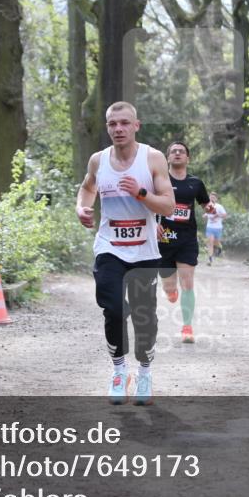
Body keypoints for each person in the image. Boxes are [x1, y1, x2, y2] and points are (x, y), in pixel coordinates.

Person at [76, 101, 175, 405]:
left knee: (144, 317)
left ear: (136, 126)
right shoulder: (98, 160)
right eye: (112, 124)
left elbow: (169, 206)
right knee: (115, 310)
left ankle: (144, 372)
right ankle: (120, 372)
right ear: (107, 127)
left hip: (144, 252)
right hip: (109, 248)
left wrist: (140, 194)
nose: (117, 129)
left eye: (123, 123)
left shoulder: (153, 158)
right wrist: (82, 207)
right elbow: (87, 188)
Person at [156, 141, 215, 344]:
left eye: (181, 151)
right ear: (168, 158)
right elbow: (147, 204)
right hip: (164, 239)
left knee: (187, 283)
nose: (178, 153)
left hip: (187, 240)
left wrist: (210, 208)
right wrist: (153, 224)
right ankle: (170, 291)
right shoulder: (159, 181)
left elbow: (205, 203)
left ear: (187, 158)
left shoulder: (195, 183)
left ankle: (187, 327)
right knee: (170, 287)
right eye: (174, 151)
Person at [205, 192, 228, 265]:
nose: (212, 198)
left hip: (218, 228)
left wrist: (218, 215)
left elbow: (225, 215)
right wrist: (205, 215)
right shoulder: (207, 206)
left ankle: (219, 248)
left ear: (216, 199)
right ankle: (210, 259)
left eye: (213, 197)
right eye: (211, 197)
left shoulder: (219, 206)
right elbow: (207, 214)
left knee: (216, 242)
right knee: (210, 242)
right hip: (210, 227)